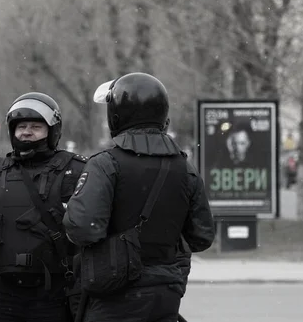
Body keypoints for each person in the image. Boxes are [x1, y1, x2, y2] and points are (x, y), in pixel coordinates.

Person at [63, 72, 215, 322]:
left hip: (114, 293)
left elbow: (84, 229)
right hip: (165, 293)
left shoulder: (105, 164)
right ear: (163, 116)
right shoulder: (185, 168)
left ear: (116, 116)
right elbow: (201, 236)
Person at [0, 92, 87, 322]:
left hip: (56, 293)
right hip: (7, 294)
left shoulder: (75, 170)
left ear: (52, 131)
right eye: (21, 126)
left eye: (36, 126)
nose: (26, 132)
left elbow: (91, 228)